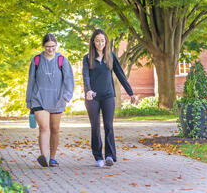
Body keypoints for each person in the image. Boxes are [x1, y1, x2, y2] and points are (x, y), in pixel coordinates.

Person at [82, 28, 137, 168]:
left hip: (108, 96)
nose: (100, 43)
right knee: (95, 127)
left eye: (102, 40)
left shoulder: (110, 56)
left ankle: (110, 156)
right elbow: (86, 76)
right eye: (97, 40)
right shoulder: (87, 58)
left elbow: (120, 74)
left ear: (106, 41)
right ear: (93, 42)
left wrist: (130, 93)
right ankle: (98, 157)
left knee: (108, 126)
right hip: (92, 97)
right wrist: (88, 91)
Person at [25, 33, 75, 168]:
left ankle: (52, 157)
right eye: (47, 47)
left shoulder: (62, 60)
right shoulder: (36, 60)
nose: (50, 49)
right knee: (44, 127)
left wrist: (66, 97)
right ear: (43, 46)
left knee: (55, 129)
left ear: (56, 45)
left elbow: (69, 80)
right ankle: (44, 157)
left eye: (53, 46)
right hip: (39, 98)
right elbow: (31, 81)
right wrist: (29, 100)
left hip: (57, 99)